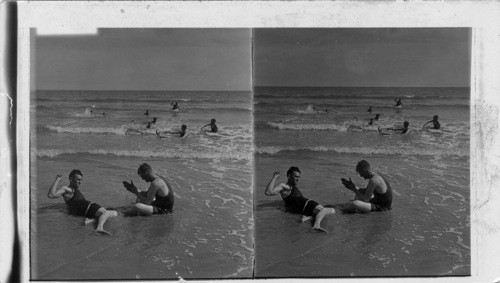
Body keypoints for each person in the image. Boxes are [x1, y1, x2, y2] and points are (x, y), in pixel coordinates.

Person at [265, 167, 336, 232]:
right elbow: (268, 192)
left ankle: (309, 217)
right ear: (289, 176)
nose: (298, 179)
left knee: (332, 210)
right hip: (307, 204)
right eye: (296, 176)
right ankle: (316, 225)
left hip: (303, 209)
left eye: (299, 177)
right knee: (323, 210)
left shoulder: (291, 187)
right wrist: (275, 177)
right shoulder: (285, 186)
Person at [47, 170, 117, 235]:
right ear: (71, 179)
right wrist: (57, 180)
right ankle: (99, 228)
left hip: (85, 211)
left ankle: (92, 219)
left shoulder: (73, 190)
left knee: (112, 213)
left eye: (81, 180)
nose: (80, 182)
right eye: (78, 180)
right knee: (108, 213)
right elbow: (51, 195)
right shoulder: (68, 189)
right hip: (89, 207)